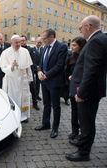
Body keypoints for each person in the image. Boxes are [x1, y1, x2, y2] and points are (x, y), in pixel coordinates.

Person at [65, 15, 107, 162]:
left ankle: (83, 153)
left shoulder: (96, 41)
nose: (80, 30)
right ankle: (83, 144)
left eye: (81, 27)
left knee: (86, 123)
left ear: (88, 26)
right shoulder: (99, 39)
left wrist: (81, 92)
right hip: (91, 91)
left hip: (88, 92)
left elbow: (92, 70)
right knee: (87, 121)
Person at [35, 29, 68, 139]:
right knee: (46, 104)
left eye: (44, 39)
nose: (43, 41)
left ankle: (55, 128)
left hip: (54, 82)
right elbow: (40, 63)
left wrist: (46, 75)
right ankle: (46, 124)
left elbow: (59, 65)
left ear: (52, 37)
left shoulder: (61, 47)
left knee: (56, 106)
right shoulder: (45, 47)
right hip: (44, 81)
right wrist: (39, 71)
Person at [0, 35, 33, 122]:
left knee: (24, 98)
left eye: (19, 42)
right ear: (11, 43)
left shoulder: (25, 51)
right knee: (13, 98)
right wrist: (11, 67)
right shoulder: (5, 52)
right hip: (11, 80)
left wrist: (30, 78)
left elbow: (28, 67)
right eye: (16, 42)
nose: (18, 44)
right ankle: (14, 116)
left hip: (23, 79)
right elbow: (3, 67)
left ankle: (24, 116)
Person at [65, 37, 86, 146]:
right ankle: (74, 131)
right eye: (71, 45)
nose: (71, 47)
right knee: (74, 111)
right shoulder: (70, 57)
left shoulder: (85, 57)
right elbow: (67, 71)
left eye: (74, 45)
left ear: (81, 46)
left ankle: (82, 135)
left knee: (81, 113)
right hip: (73, 87)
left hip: (81, 89)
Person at [20, 35, 40, 111]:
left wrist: (32, 71)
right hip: (20, 73)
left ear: (26, 41)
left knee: (33, 89)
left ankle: (35, 103)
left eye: (23, 40)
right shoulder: (18, 49)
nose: (22, 42)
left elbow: (33, 61)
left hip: (29, 72)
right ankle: (21, 104)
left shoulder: (30, 49)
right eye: (21, 40)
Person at [31, 37, 44, 101]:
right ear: (35, 42)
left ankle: (37, 95)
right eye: (38, 42)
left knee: (38, 83)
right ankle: (34, 95)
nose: (39, 44)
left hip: (40, 69)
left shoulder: (43, 49)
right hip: (33, 68)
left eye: (40, 43)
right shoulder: (31, 49)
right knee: (33, 83)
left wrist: (40, 67)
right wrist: (36, 66)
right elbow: (31, 60)